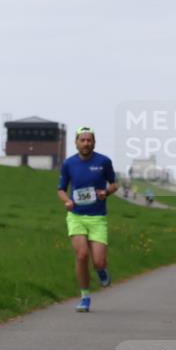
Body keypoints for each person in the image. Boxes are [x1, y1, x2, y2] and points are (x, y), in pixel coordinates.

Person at [57, 126, 118, 312]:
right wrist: (67, 201)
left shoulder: (104, 161)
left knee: (99, 261)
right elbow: (61, 189)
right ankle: (85, 297)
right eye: (82, 140)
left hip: (98, 217)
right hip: (76, 216)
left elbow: (114, 184)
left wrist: (105, 192)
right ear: (76, 142)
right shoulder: (69, 164)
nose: (85, 143)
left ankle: (101, 270)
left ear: (94, 142)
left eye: (89, 140)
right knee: (82, 255)